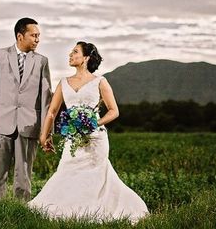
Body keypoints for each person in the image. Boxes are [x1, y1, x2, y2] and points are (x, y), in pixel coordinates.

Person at [28, 41, 148, 223]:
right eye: (70, 52)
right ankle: (69, 211)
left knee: (96, 176)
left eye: (75, 52)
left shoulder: (100, 81)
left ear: (86, 58)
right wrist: (44, 136)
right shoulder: (63, 83)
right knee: (67, 172)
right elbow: (52, 111)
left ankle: (95, 211)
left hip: (95, 140)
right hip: (72, 138)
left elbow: (113, 110)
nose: (70, 54)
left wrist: (94, 123)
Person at [0, 17, 52, 201]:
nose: (37, 39)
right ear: (20, 36)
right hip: (0, 124)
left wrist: (46, 131)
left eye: (39, 36)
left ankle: (21, 210)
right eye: (33, 35)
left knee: (24, 174)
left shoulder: (42, 61)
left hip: (29, 125)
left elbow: (45, 98)